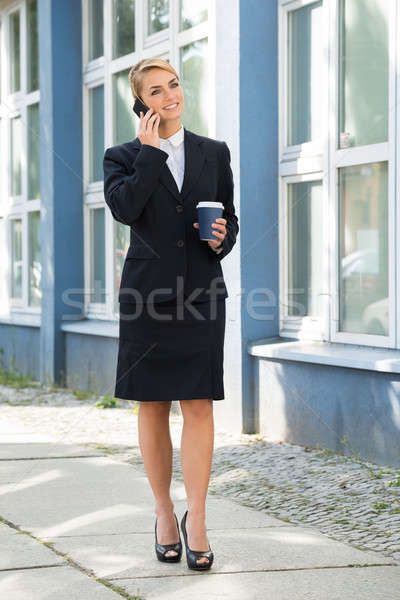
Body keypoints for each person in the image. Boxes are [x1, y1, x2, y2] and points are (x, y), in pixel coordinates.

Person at [103, 57, 239, 570]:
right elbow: (125, 209)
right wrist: (150, 153)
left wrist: (223, 237)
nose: (170, 97)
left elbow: (229, 220)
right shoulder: (122, 156)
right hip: (146, 298)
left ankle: (197, 517)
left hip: (203, 294)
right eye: (156, 91)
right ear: (142, 104)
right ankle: (164, 512)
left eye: (174, 86)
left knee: (199, 404)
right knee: (153, 405)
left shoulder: (214, 152)